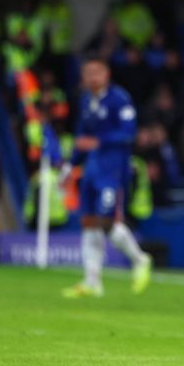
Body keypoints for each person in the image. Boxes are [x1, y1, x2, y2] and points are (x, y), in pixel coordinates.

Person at [61, 54, 153, 298]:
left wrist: (99, 141)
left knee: (107, 221)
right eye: (87, 73)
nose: (91, 77)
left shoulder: (119, 99)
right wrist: (70, 166)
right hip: (91, 170)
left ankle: (140, 259)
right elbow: (82, 138)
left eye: (96, 72)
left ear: (106, 74)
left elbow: (128, 133)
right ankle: (92, 282)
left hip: (113, 170)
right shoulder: (85, 101)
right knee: (89, 223)